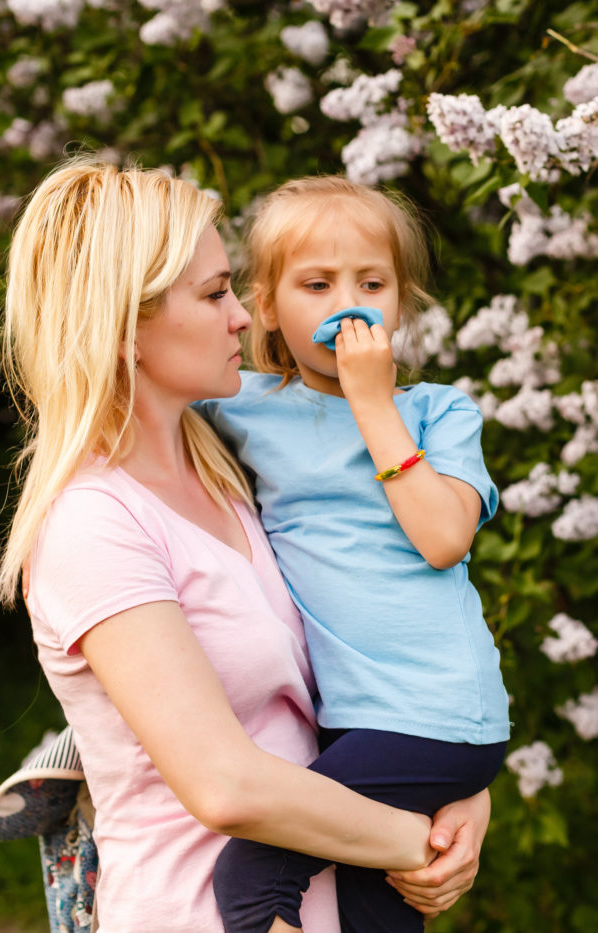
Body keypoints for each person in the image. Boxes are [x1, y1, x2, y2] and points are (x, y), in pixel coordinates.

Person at [0, 156, 494, 933]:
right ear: (123, 324)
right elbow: (226, 784)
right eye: (214, 292)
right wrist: (417, 837)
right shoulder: (94, 523)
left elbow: (372, 635)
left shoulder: (230, 471)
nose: (241, 317)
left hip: (337, 892)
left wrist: (453, 769)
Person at [197, 176, 510, 933]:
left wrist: (373, 404)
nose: (350, 303)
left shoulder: (438, 412)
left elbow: (444, 539)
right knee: (376, 910)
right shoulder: (241, 408)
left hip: (434, 713)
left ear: (400, 299)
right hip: (348, 718)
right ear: (266, 306)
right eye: (317, 283)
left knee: (252, 872)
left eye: (372, 282)